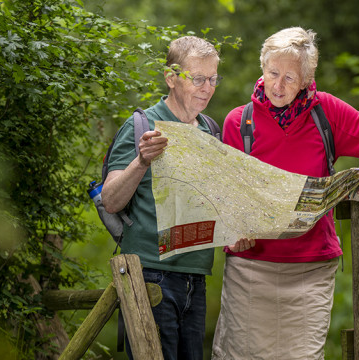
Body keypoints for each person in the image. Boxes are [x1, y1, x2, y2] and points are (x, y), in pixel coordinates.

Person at [212, 27, 359, 359]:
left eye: (290, 78)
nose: (278, 85)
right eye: (273, 73)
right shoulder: (238, 122)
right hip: (251, 271)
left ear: (305, 79)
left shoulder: (325, 112)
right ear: (262, 67)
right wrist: (232, 232)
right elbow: (224, 197)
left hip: (310, 271)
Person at [101, 36, 251, 360]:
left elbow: (213, 202)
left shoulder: (210, 130)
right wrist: (141, 161)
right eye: (198, 78)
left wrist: (235, 229)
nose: (207, 88)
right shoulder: (142, 124)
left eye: (213, 79)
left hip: (195, 279)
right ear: (171, 78)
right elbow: (111, 200)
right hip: (149, 276)